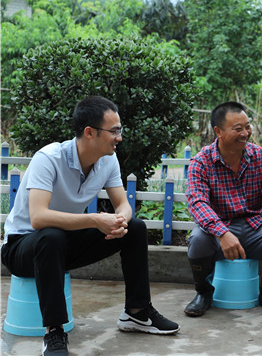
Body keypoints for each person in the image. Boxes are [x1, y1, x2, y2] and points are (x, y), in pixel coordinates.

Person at [1, 96, 179, 356]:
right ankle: (54, 332)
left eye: (120, 130)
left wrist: (120, 220)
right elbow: (38, 218)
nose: (119, 137)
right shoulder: (48, 158)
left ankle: (137, 312)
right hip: (22, 247)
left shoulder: (108, 160)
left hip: (62, 244)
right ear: (90, 132)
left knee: (136, 228)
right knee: (50, 236)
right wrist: (95, 220)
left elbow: (123, 204)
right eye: (114, 131)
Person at [184, 101, 262, 317]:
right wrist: (222, 233)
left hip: (256, 224)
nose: (245, 133)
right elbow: (198, 203)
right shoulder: (201, 162)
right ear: (218, 131)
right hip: (219, 225)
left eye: (247, 126)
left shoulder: (261, 157)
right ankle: (203, 293)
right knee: (198, 241)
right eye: (238, 129)